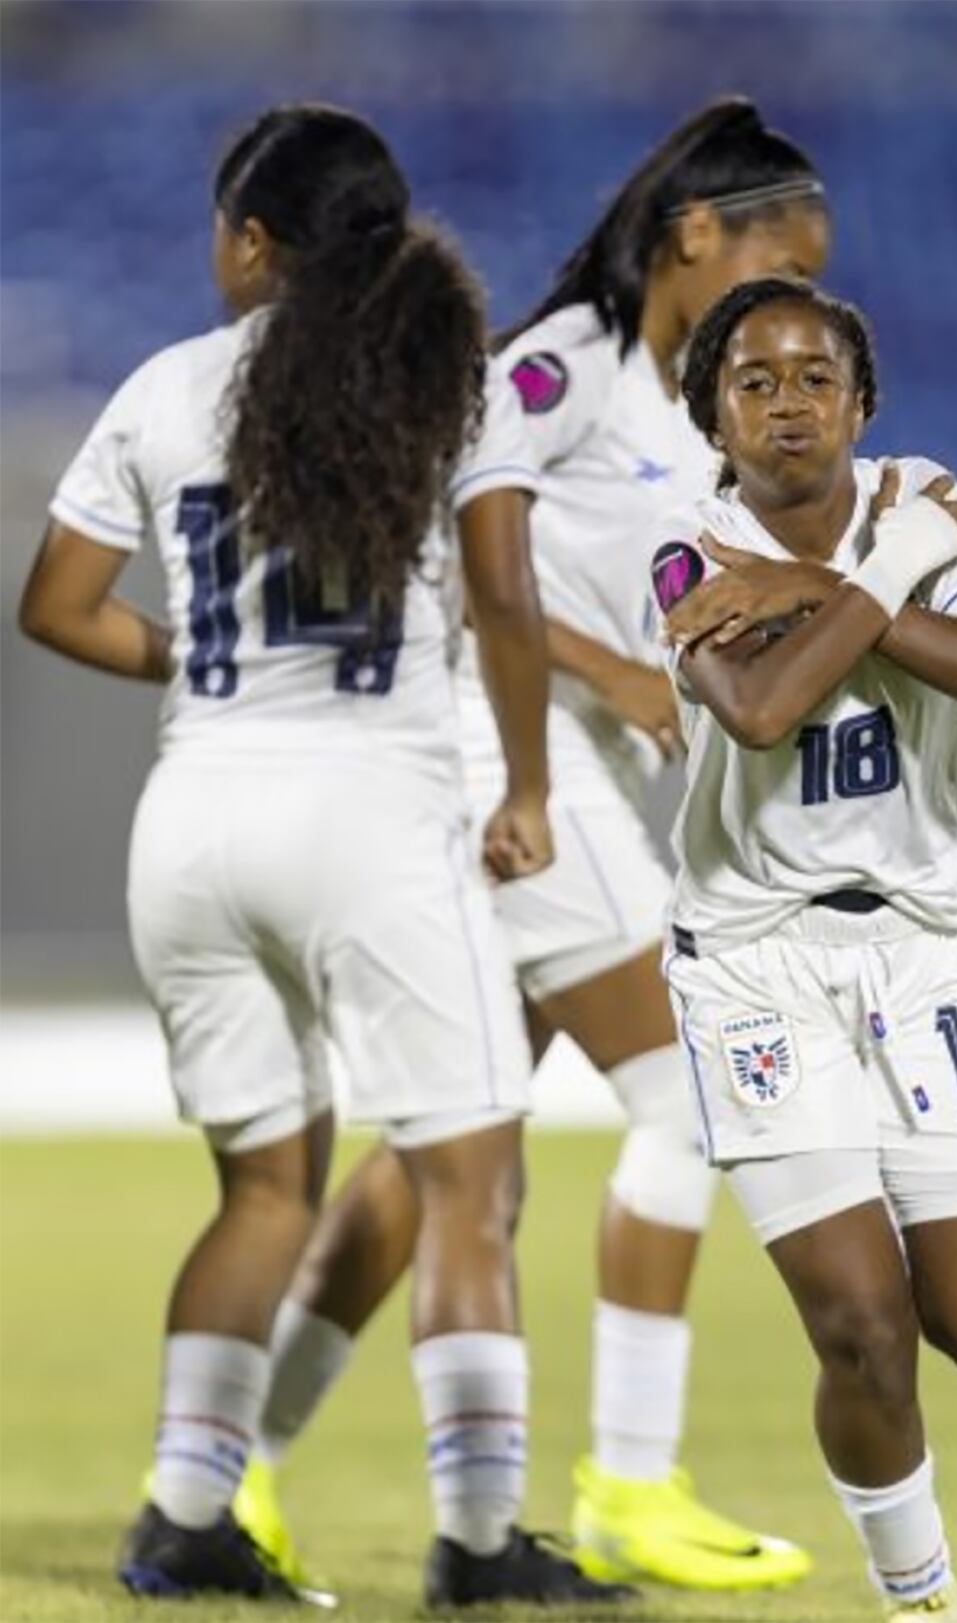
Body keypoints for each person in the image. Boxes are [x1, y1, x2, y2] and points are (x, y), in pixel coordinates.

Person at [19, 103, 634, 1612]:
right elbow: (501, 596)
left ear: (251, 242)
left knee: (264, 1194)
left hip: (196, 821)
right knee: (469, 1181)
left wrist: (198, 661)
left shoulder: (165, 388)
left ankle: (182, 1517)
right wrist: (533, 788)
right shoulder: (443, 381)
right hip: (371, 817)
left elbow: (54, 602)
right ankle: (480, 1542)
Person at [233, 96, 830, 1594]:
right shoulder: (560, 366)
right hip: (500, 758)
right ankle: (630, 1483)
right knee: (695, 1100)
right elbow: (452, 550)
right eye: (782, 259)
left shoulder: (679, 410)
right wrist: (614, 679)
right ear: (696, 237)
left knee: (442, 1161)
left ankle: (227, 1475)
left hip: (539, 772)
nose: (797, 295)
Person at [646, 275, 957, 1622]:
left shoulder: (919, 494)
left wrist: (816, 584)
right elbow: (759, 710)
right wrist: (883, 578)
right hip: (756, 965)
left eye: (814, 376)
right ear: (714, 418)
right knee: (863, 1332)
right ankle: (924, 1602)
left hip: (931, 954)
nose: (786, 404)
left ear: (861, 403)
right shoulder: (681, 547)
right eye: (752, 382)